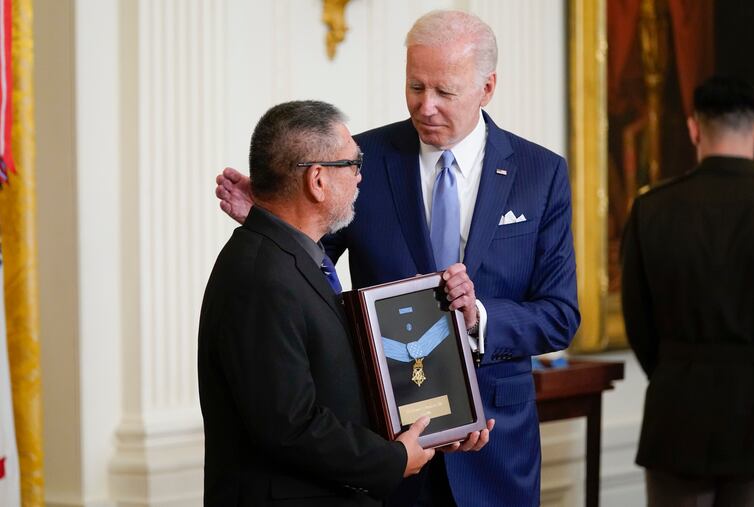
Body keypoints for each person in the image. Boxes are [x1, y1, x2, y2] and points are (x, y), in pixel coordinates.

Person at [215, 11, 579, 507]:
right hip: (387, 440)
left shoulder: (541, 173)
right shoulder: (361, 158)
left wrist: (481, 318)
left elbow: (560, 316)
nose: (425, 106)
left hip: (498, 447)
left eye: (444, 92)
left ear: (487, 87)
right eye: (414, 86)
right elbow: (309, 268)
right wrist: (275, 218)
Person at [198, 100, 445, 506]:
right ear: (317, 180)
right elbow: (289, 426)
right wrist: (391, 459)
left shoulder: (288, 258)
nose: (360, 177)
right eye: (353, 164)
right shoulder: (262, 276)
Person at [621, 76, 754, 506]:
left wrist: (678, 369)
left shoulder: (651, 208)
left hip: (676, 416)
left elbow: (638, 323)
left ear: (694, 128)